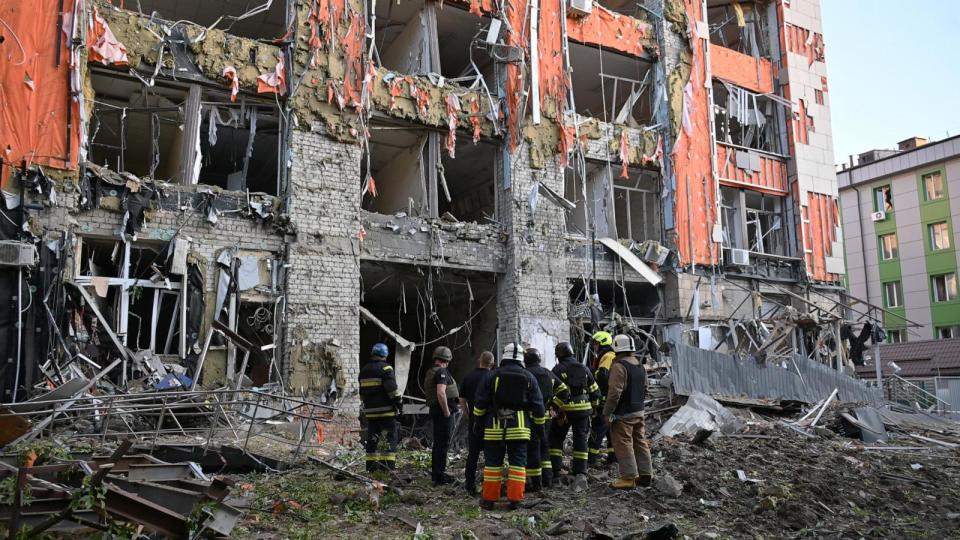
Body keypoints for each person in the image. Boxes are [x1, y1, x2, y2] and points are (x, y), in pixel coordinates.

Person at [472, 343, 545, 510]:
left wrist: (478, 422)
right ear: (522, 358)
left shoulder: (491, 376)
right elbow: (538, 406)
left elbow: (480, 403)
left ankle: (489, 500)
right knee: (518, 464)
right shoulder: (529, 376)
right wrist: (539, 427)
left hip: (494, 427)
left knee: (492, 464)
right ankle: (515, 500)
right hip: (519, 428)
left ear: (503, 356)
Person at [603, 334, 653, 489]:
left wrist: (607, 412)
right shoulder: (639, 365)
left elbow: (614, 393)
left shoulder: (619, 366)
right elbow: (645, 389)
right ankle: (645, 474)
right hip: (639, 411)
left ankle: (628, 478)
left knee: (623, 443)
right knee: (640, 442)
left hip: (623, 414)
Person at [549, 341, 600, 485]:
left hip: (564, 411)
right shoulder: (583, 368)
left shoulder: (557, 369)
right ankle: (580, 471)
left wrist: (555, 411)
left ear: (558, 355)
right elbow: (595, 391)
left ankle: (555, 469)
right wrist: (594, 409)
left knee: (556, 439)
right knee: (580, 439)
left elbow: (552, 391)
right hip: (583, 410)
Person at [523, 347, 565, 491]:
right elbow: (564, 390)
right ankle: (547, 479)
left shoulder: (525, 374)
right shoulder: (548, 373)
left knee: (532, 448)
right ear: (539, 359)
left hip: (528, 417)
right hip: (546, 416)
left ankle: (535, 483)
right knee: (545, 446)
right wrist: (554, 407)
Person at [358, 343, 402, 472]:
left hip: (371, 413)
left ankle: (371, 469)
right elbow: (392, 390)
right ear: (385, 355)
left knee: (372, 440)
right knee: (389, 439)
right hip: (386, 412)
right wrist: (399, 403)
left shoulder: (364, 370)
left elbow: (361, 394)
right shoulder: (386, 368)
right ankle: (387, 469)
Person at [459, 351, 495, 495]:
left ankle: (469, 484)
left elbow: (462, 400)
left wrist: (468, 414)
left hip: (474, 421)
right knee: (490, 455)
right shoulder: (493, 377)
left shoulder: (468, 377)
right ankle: (489, 485)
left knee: (472, 454)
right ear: (492, 363)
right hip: (490, 422)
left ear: (479, 360)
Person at [423, 345, 460, 486]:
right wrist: (446, 411)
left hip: (437, 411)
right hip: (442, 413)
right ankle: (439, 476)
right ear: (447, 359)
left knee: (438, 444)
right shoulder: (441, 372)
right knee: (442, 445)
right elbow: (441, 392)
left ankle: (437, 474)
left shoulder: (432, 371)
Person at [588, 331, 617, 467]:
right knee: (610, 429)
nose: (594, 347)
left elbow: (603, 374)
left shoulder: (607, 355)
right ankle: (613, 457)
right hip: (608, 397)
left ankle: (591, 459)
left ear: (602, 343)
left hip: (605, 398)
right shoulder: (606, 355)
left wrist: (592, 373)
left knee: (598, 427)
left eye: (596, 344)